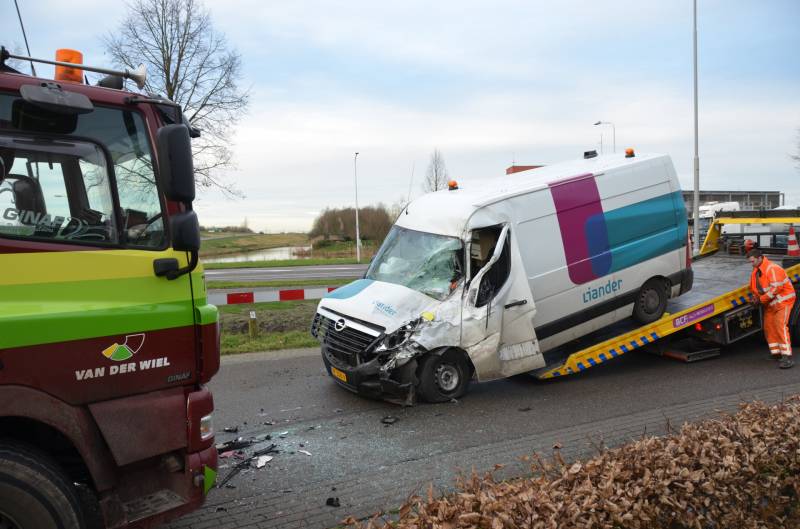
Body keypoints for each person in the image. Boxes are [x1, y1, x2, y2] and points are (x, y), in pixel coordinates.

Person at [748, 249, 795, 368]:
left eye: (753, 261)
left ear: (760, 258)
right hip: (770, 303)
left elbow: (776, 289)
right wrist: (754, 297)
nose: (751, 264)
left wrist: (760, 299)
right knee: (769, 327)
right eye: (750, 262)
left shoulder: (772, 268)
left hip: (783, 301)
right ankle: (776, 354)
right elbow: (754, 288)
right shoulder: (756, 271)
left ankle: (787, 357)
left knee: (780, 326)